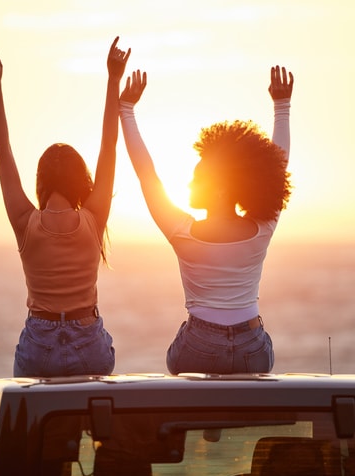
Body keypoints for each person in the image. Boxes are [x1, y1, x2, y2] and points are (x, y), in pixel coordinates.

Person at [119, 65, 294, 374]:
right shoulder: (262, 229)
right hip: (252, 348)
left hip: (199, 346)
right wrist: (282, 106)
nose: (189, 184)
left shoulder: (181, 231)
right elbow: (278, 168)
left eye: (198, 178)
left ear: (220, 190)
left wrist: (126, 110)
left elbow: (147, 175)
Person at [0, 37, 131, 377]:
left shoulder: (25, 221)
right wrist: (113, 78)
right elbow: (110, 145)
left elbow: (2, 148)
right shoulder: (94, 218)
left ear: (41, 181)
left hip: (39, 345)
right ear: (80, 181)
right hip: (88, 343)